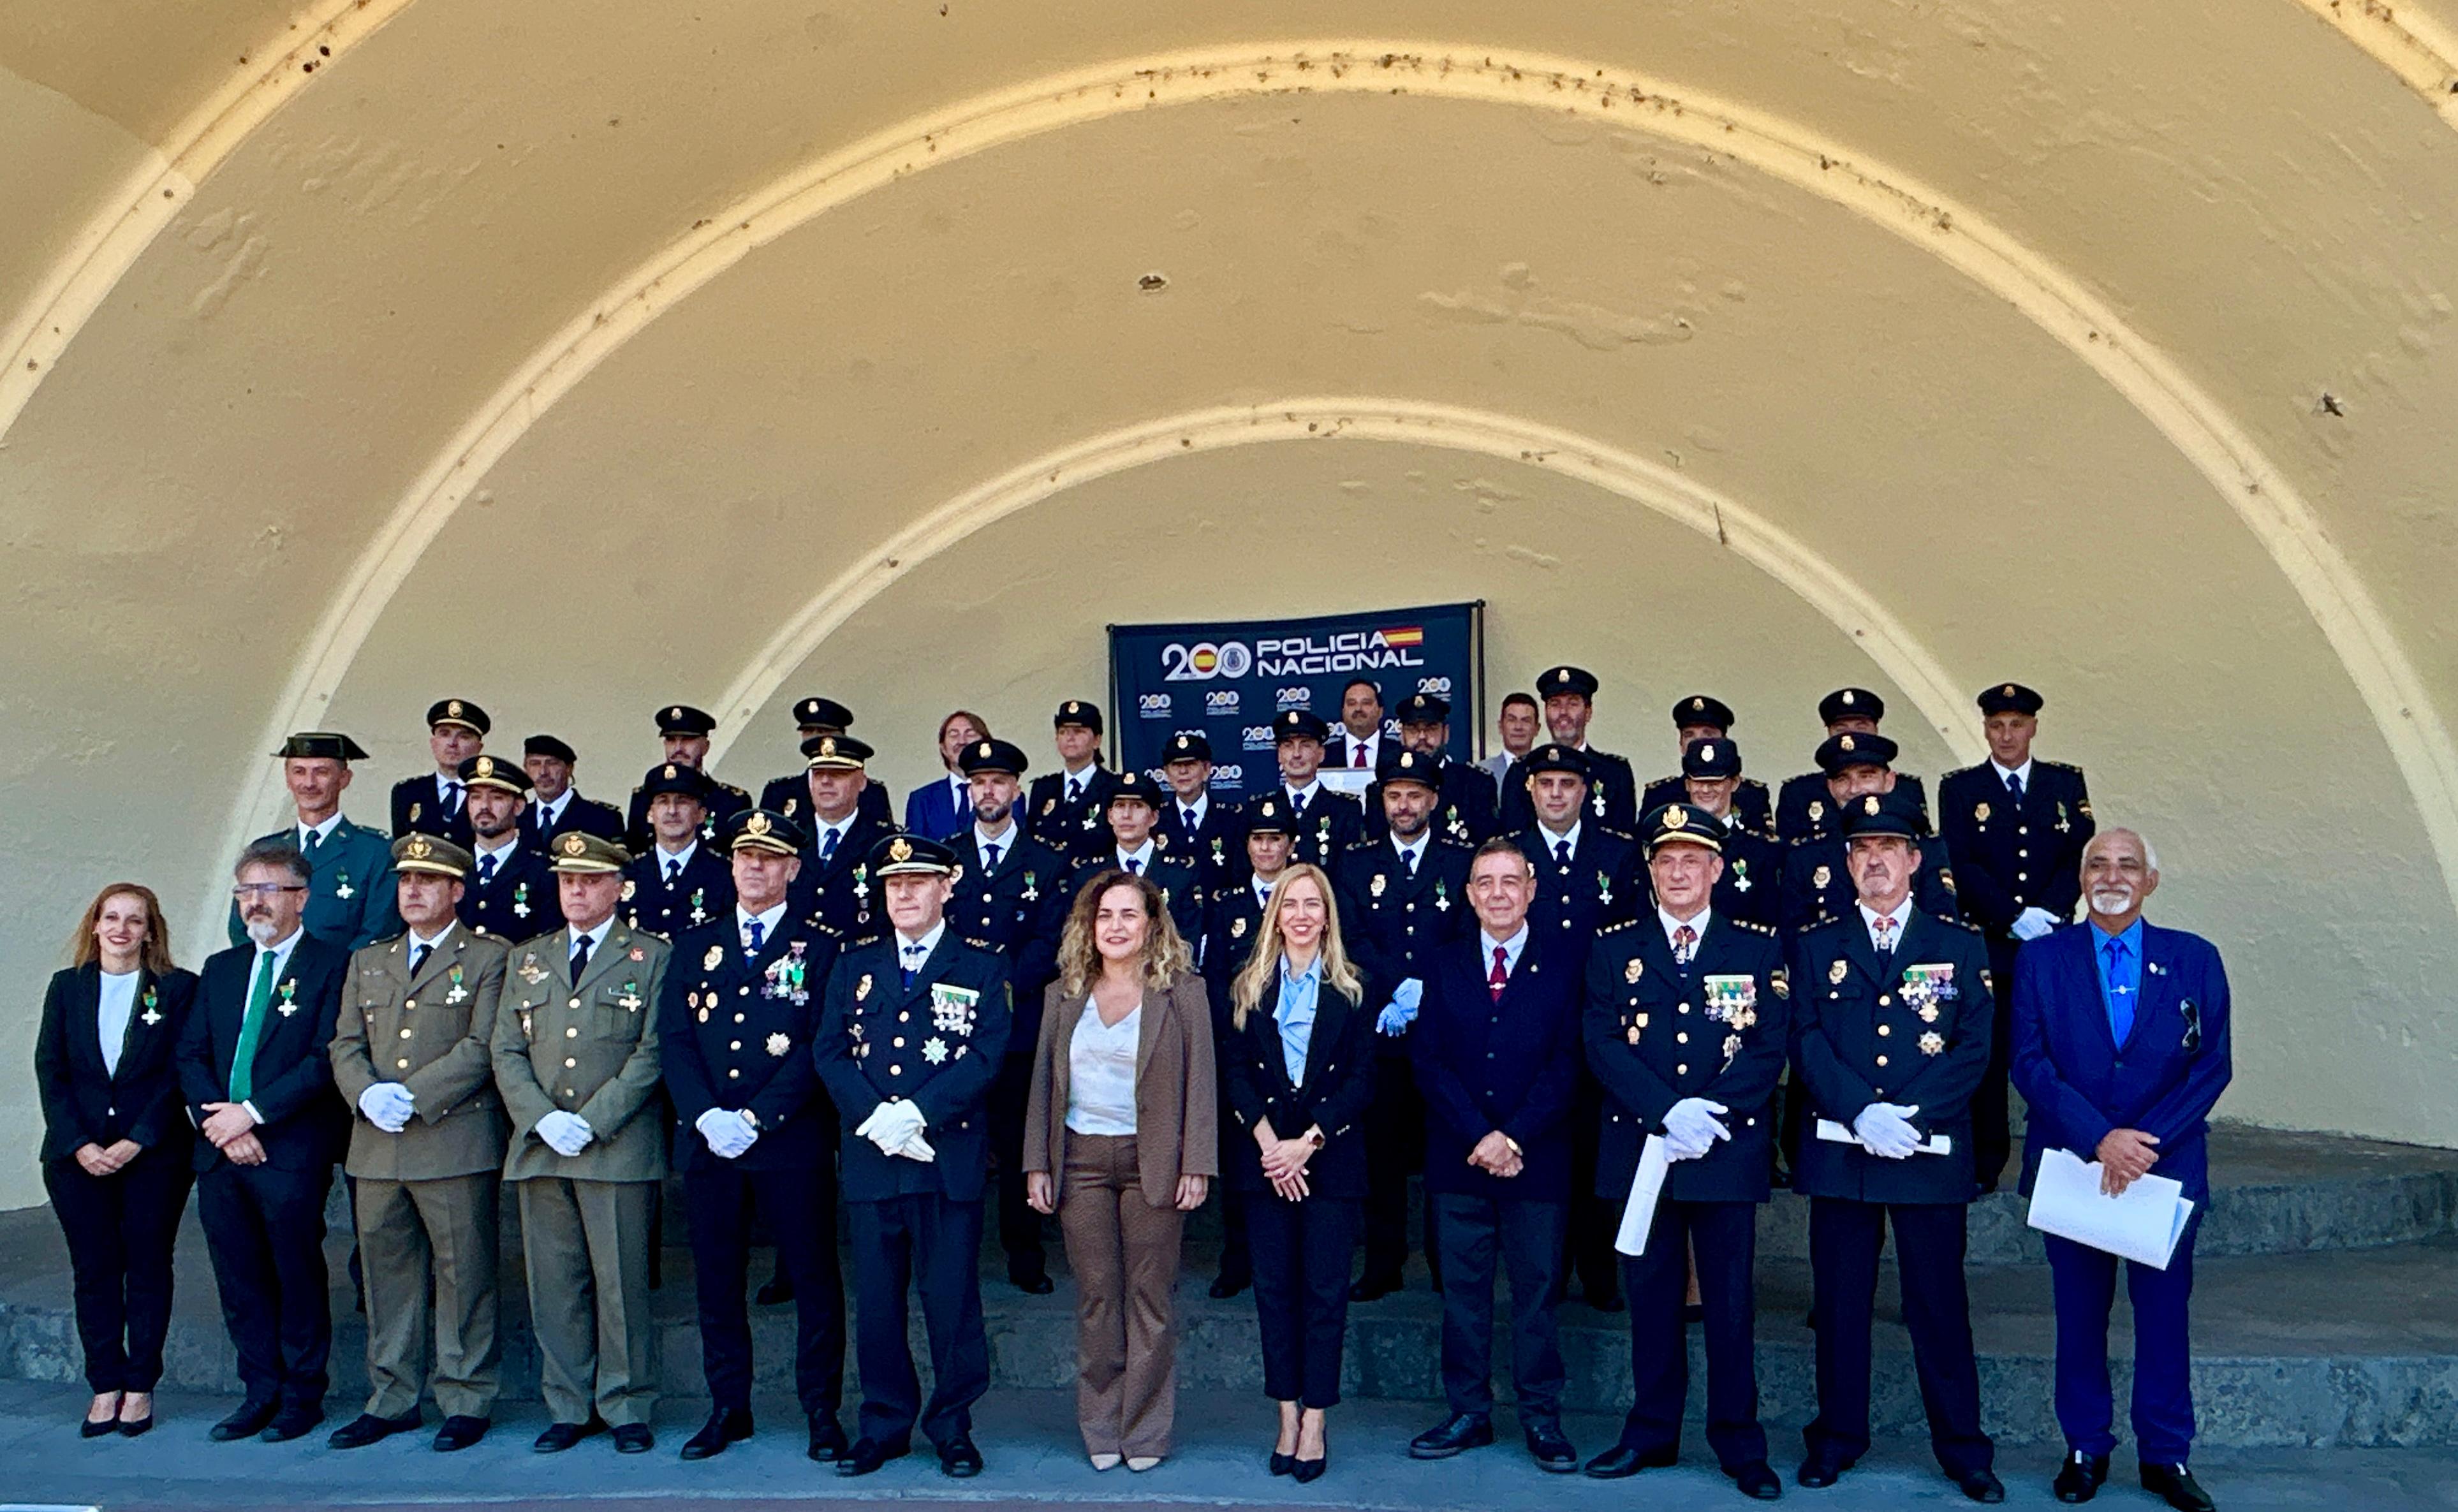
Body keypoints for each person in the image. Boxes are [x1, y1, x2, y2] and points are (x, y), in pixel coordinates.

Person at [1788, 793, 2001, 1501]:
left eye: (1887, 847)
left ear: (1914, 859)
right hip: (1842, 1152)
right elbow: (1806, 1036)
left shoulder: (1958, 943)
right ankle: (1836, 1438)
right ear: (1845, 862)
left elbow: (1974, 1045)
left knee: (1938, 1306)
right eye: (1859, 849)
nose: (1872, 860)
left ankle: (1963, 1448)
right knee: (1841, 1306)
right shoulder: (1817, 944)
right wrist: (1859, 1112)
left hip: (1927, 1149)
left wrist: (1908, 1118)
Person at [2012, 829, 2228, 1512]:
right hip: (2076, 1165)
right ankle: (2084, 1447)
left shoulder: (2193, 958)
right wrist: (2098, 1137)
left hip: (2161, 1170)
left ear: (2150, 881)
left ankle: (2165, 1455)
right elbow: (2028, 1061)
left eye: (2126, 865)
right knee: (2078, 1318)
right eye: (2097, 864)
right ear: (2080, 879)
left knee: (2163, 1319)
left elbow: (2211, 1064)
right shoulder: (2042, 959)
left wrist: (2143, 1142)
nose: (2111, 875)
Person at [1582, 804, 1788, 1498]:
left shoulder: (1755, 947)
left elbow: (1767, 1044)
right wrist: (1665, 1110)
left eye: (1691, 860)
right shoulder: (1615, 946)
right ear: (1650, 871)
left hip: (1724, 1149)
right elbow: (1600, 1039)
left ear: (1716, 870)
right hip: (1643, 1147)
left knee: (1729, 1303)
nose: (1677, 872)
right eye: (1665, 860)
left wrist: (1712, 1113)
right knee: (1650, 1300)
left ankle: (1738, 1443)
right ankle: (1650, 1433)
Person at [812, 833, 1012, 1479]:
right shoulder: (854, 964)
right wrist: (877, 1118)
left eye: (917, 882)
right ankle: (884, 1424)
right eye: (893, 884)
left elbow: (987, 1052)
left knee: (951, 1302)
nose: (903, 893)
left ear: (946, 887)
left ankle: (952, 1426)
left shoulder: (980, 965)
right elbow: (830, 1052)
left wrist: (918, 1112)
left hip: (944, 1156)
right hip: (874, 1159)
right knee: (876, 1302)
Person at [659, 811, 851, 1464]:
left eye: (769, 857)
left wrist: (756, 1118)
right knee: (717, 1282)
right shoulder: (694, 945)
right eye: (744, 855)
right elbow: (676, 1042)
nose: (754, 867)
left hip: (789, 1142)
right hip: (711, 1143)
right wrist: (706, 1115)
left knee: (813, 1280)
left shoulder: (821, 947)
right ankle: (727, 1407)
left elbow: (818, 1043)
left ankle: (821, 1411)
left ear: (792, 868)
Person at [1023, 870, 1217, 1471]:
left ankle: (1146, 1432)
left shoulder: (1183, 991)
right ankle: (1101, 1425)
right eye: (1105, 915)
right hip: (1079, 1159)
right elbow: (1042, 1085)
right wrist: (1037, 1161)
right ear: (1090, 925)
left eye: (1129, 915)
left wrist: (1197, 1163)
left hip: (1151, 1160)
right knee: (1097, 1298)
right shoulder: (1064, 992)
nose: (1116, 926)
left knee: (1150, 1298)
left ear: (1152, 924)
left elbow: (1202, 1083)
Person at [325, 834, 509, 1453]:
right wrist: (367, 1093)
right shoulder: (368, 960)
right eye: (406, 879)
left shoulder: (488, 956)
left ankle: (465, 1394)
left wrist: (413, 1093)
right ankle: (392, 1396)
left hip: (451, 1137)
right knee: (387, 1276)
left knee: (464, 1273)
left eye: (427, 880)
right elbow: (344, 1043)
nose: (412, 890)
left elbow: (482, 1044)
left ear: (456, 890)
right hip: (377, 1145)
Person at [490, 832, 672, 1454]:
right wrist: (541, 1118)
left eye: (590, 880)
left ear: (618, 887)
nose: (576, 890)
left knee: (619, 1283)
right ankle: (567, 1404)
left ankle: (625, 1403)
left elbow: (651, 1053)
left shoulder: (651, 956)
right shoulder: (529, 957)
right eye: (568, 880)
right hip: (541, 1145)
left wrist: (591, 1121)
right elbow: (506, 1047)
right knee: (555, 1282)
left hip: (614, 1145)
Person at [1404, 839, 1580, 1473]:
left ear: (1531, 888)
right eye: (1486, 882)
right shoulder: (1444, 961)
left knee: (1536, 1293)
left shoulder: (1564, 961)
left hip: (1537, 1159)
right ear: (1469, 893)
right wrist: (1479, 1134)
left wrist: (1512, 1137)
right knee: (1463, 1293)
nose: (1499, 893)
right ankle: (1468, 1412)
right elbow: (1427, 1059)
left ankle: (1541, 1416)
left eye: (1511, 881)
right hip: (1459, 1158)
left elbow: (1567, 1063)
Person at [177, 839, 351, 1444]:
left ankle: (303, 1395)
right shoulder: (221, 969)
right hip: (221, 1151)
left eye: (268, 889)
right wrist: (222, 1127)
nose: (255, 902)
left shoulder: (333, 964)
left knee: (295, 1271)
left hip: (290, 1150)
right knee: (239, 1276)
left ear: (301, 898)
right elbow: (191, 1054)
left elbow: (324, 1057)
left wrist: (252, 1115)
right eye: (246, 890)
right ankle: (259, 1391)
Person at [1221, 862, 1374, 1484]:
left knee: (1322, 1294)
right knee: (1273, 1291)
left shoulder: (1354, 986)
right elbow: (1232, 1070)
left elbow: (1365, 1080)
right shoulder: (1246, 985)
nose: (1302, 915)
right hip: (1264, 1163)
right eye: (1291, 904)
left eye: (1313, 904)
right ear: (1275, 914)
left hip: (1327, 1162)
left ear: (1327, 916)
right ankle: (1284, 1412)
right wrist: (1269, 1146)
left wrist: (1305, 1142)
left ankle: (1316, 1417)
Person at [36, 883, 196, 1439]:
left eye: (135, 919)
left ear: (151, 930)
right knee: (95, 1269)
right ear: (96, 925)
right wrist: (80, 1142)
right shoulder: (67, 988)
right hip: (76, 1158)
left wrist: (139, 1139)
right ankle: (105, 1382)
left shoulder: (177, 990)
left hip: (152, 1156)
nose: (122, 929)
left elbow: (181, 1071)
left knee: (149, 1266)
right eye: (112, 917)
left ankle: (140, 1383)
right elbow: (50, 1071)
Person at [1940, 682, 2096, 1193]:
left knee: (2058, 1052)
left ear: (2033, 727)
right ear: (1985, 729)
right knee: (1989, 1056)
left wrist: (2047, 914)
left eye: (2016, 724)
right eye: (1996, 725)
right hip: (1993, 943)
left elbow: (2079, 853)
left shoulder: (2064, 783)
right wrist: (2012, 915)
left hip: (2052, 943)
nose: (2006, 735)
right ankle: (1986, 1163)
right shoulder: (1962, 788)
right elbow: (1961, 863)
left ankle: (2059, 1157)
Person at [1334, 747, 1474, 1300]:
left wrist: (1426, 990)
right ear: (1382, 800)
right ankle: (1384, 1263)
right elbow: (1352, 938)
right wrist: (1395, 986)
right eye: (1394, 795)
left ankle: (1447, 1265)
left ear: (1434, 800)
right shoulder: (1357, 862)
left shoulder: (1460, 861)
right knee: (1383, 1153)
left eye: (1415, 795)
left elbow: (1467, 933)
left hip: (1444, 1031)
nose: (1404, 805)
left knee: (1445, 1147)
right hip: (1382, 1032)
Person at [1512, 742, 1640, 1310]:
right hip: (1530, 1031)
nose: (1557, 794)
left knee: (1595, 1153)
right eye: (1546, 784)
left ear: (1585, 791)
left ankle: (1599, 1272)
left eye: (1567, 784)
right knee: (1541, 1152)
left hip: (1599, 1030)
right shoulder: (1509, 854)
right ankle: (1547, 1272)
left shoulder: (1617, 852)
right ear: (1530, 791)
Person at [948, 738, 1070, 1295]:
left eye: (999, 781)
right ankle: (956, 1252)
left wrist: (1000, 990)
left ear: (1017, 790)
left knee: (1023, 1139)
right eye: (979, 782)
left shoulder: (1045, 860)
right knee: (960, 1138)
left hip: (1020, 1025)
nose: (989, 791)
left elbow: (1050, 940)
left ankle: (1024, 1253)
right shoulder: (944, 859)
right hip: (953, 1025)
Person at [1196, 796, 1300, 1299]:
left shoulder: (1305, 899)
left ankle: (1296, 1258)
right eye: (1258, 839)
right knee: (1244, 1160)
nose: (1266, 847)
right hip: (1242, 1050)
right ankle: (1238, 1259)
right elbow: (1215, 975)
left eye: (1276, 838)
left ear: (1290, 845)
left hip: (1298, 1049)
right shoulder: (1228, 905)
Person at [233, 731, 402, 950]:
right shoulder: (264, 850)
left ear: (344, 779)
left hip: (343, 981)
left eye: (321, 772)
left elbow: (379, 931)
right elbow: (241, 928)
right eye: (299, 772)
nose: (309, 783)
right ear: (288, 779)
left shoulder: (375, 852)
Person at [1778, 733, 1958, 934]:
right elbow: (1794, 941)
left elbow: (1943, 929)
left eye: (1866, 776)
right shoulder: (1806, 856)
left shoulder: (1925, 847)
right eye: (1842, 779)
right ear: (1831, 787)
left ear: (1890, 781)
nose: (1854, 789)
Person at [1774, 687, 1931, 842]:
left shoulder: (1908, 788)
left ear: (1876, 729)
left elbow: (1922, 847)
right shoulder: (1799, 792)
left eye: (1861, 727)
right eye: (1840, 729)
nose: (1850, 736)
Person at [1498, 667, 1638, 833]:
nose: (1563, 713)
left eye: (1572, 704)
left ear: (1588, 712)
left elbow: (1625, 843)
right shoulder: (1520, 772)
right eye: (1555, 704)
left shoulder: (1615, 773)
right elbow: (1512, 844)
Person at [1069, 770, 1202, 942]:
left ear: (1154, 817)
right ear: (1110, 816)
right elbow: (1081, 937)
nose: (1126, 815)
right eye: (1119, 806)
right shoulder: (1088, 874)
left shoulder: (1181, 873)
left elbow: (1189, 937)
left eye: (1137, 806)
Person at [787, 733, 891, 939]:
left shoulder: (883, 843)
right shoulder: (789, 840)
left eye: (837, 774)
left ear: (862, 782)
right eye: (818, 774)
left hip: (856, 963)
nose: (826, 781)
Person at [1365, 691, 1499, 847]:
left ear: (1446, 733)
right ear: (1402, 735)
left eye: (1431, 728)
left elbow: (1487, 847)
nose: (1422, 737)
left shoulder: (1476, 783)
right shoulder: (1380, 790)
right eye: (1413, 729)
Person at [455, 754, 564, 941]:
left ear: (519, 807)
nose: (484, 806)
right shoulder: (453, 867)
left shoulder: (543, 872)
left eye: (497, 798)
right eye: (475, 797)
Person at [621, 763, 737, 938]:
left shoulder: (726, 874)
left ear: (701, 814)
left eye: (682, 801)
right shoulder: (628, 873)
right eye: (663, 801)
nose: (672, 811)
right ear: (650, 814)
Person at [1679, 739, 1783, 929]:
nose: (1705, 789)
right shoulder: (1669, 848)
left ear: (1735, 783)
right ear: (1687, 784)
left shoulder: (1762, 851)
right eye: (1698, 782)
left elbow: (1773, 923)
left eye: (1715, 782)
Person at [1640, 695, 1774, 837]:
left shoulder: (1751, 794)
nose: (1699, 741)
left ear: (1724, 740)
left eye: (1708, 734)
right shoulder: (1660, 794)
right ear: (1680, 742)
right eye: (1689, 735)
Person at [626, 705, 752, 851]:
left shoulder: (731, 801)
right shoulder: (644, 796)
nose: (678, 748)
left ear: (706, 746)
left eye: (687, 740)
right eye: (671, 740)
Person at [758, 696, 895, 829]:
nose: (816, 736)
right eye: (809, 731)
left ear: (841, 736)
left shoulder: (872, 791)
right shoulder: (778, 792)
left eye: (824, 731)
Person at [1154, 731, 1248, 892]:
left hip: (1219, 913)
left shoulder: (1233, 819)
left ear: (1206, 770)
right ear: (1167, 773)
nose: (1183, 772)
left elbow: (1240, 877)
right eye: (1176, 765)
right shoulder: (1155, 820)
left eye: (1190, 764)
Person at [1024, 700, 1118, 859]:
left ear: (1097, 740)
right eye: (1063, 732)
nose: (1070, 738)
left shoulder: (1114, 787)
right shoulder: (1044, 788)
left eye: (1079, 731)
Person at [1271, 710, 1365, 867]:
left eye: (1305, 745)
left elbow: (1352, 873)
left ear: (1321, 754)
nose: (1296, 754)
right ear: (1279, 754)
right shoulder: (1258, 810)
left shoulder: (1346, 810)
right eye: (1288, 746)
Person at [393, 698, 488, 846]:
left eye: (464, 736)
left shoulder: (490, 796)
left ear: (479, 747)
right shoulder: (407, 792)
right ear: (433, 743)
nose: (453, 744)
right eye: (445, 734)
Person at [521, 734, 625, 849]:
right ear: (526, 768)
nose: (543, 772)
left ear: (569, 768)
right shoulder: (516, 818)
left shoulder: (603, 818)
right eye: (535, 764)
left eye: (552, 763)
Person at [902, 710, 989, 841]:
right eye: (954, 735)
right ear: (943, 748)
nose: (962, 741)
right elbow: (916, 852)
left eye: (970, 734)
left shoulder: (1007, 796)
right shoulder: (921, 799)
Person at [1327, 678, 1389, 774]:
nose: (1358, 709)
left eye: (1366, 703)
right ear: (1343, 712)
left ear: (1380, 711)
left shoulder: (1399, 752)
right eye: (1352, 704)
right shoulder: (1325, 756)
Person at [1481, 691, 1540, 788]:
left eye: (1526, 721)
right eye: (1512, 720)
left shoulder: (1547, 772)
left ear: (1537, 729)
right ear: (1501, 727)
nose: (1518, 727)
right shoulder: (1480, 773)